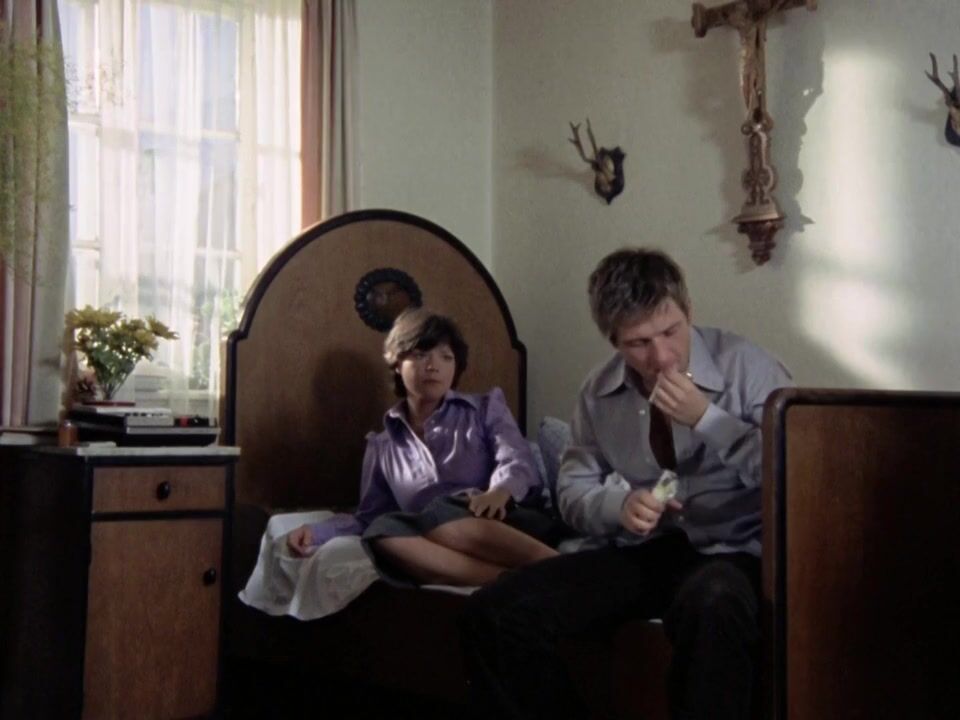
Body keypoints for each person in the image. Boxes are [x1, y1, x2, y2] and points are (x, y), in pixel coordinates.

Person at [460, 248, 793, 719]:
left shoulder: (748, 367)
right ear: (613, 339)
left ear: (688, 310)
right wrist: (618, 506)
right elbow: (572, 490)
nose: (660, 356)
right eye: (638, 343)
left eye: (670, 332)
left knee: (715, 602)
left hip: (739, 551)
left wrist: (707, 418)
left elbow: (791, 474)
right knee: (494, 613)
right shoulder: (599, 392)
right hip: (653, 550)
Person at [286, 307, 558, 586]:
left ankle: (560, 566)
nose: (433, 365)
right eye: (420, 355)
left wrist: (499, 491)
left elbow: (518, 459)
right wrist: (316, 532)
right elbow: (368, 518)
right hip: (436, 533)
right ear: (396, 363)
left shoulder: (484, 409)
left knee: (440, 510)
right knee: (382, 530)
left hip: (502, 519)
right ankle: (508, 581)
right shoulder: (383, 446)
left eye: (446, 357)